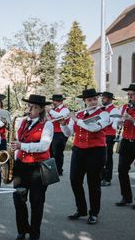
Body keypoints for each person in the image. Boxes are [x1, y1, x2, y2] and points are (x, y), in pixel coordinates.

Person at [61, 88, 110, 225]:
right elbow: (68, 133)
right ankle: (81, 209)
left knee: (93, 183)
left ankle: (94, 212)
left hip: (96, 151)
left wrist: (76, 119)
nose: (93, 102)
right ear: (84, 101)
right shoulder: (79, 114)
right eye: (89, 100)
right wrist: (64, 124)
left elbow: (94, 128)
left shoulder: (104, 114)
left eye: (95, 99)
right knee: (74, 180)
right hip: (78, 150)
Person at [10, 94, 53, 240]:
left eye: (34, 107)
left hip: (38, 167)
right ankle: (22, 230)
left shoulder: (48, 125)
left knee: (37, 202)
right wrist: (13, 158)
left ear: (41, 109)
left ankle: (35, 234)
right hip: (21, 166)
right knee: (18, 200)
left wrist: (22, 146)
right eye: (29, 106)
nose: (29, 109)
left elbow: (43, 146)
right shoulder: (22, 122)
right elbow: (17, 141)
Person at [48, 94, 69, 176]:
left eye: (55, 101)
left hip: (60, 133)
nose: (53, 102)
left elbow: (60, 117)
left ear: (61, 101)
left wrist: (50, 111)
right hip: (52, 132)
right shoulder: (54, 109)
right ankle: (52, 170)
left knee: (58, 152)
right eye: (53, 100)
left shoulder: (65, 109)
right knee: (51, 152)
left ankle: (58, 170)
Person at [100, 91, 118, 187]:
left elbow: (109, 121)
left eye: (104, 98)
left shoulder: (114, 110)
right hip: (101, 134)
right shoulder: (101, 109)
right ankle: (101, 177)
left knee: (107, 157)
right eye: (102, 98)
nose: (102, 99)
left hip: (109, 135)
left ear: (110, 99)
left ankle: (107, 178)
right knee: (101, 157)